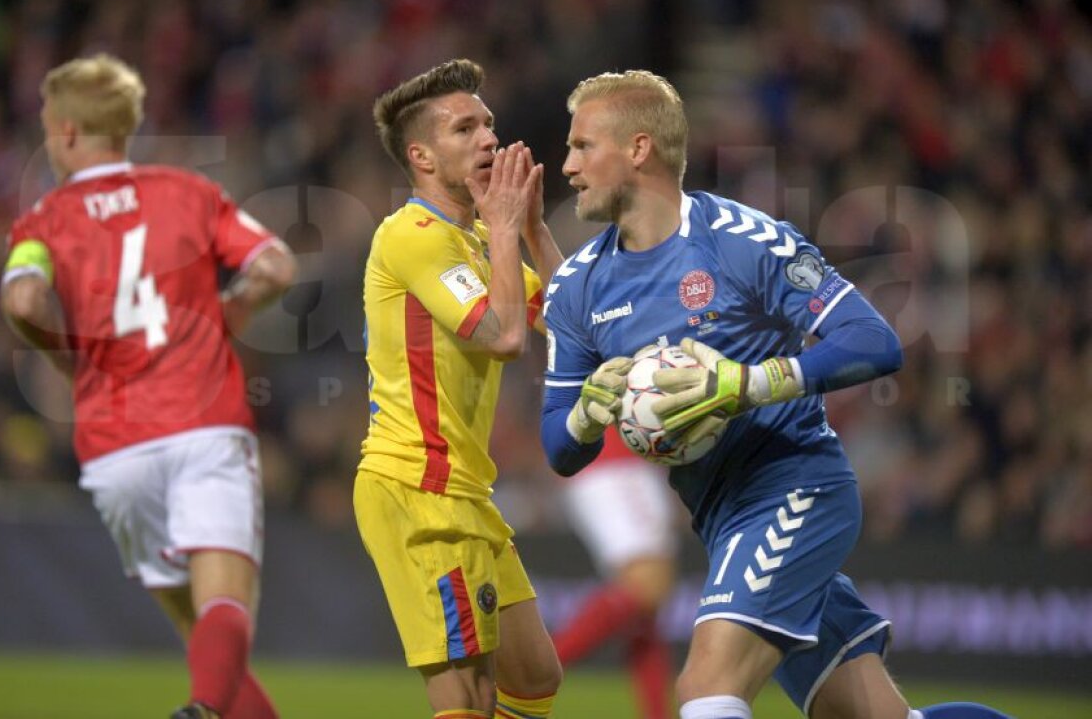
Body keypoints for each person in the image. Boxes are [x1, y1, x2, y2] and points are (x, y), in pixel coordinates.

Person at [538, 70, 1011, 719]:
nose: (566, 165)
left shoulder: (742, 240)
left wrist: (746, 384)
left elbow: (873, 340)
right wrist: (588, 415)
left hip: (794, 486)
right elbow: (556, 445)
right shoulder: (575, 288)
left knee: (706, 687)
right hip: (721, 518)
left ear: (639, 148)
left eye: (583, 146)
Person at [0, 54, 296, 719]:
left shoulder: (42, 221)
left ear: (70, 132)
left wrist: (64, 354)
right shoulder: (187, 191)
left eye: (48, 127)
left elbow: (22, 299)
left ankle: (204, 704)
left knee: (201, 639)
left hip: (114, 444)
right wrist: (238, 306)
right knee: (226, 609)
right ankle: (200, 709)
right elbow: (275, 264)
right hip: (205, 422)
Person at [356, 59, 565, 719]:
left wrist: (530, 229)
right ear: (421, 155)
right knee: (467, 697)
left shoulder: (475, 242)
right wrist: (504, 231)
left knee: (533, 676)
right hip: (419, 489)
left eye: (489, 125)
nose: (488, 140)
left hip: (466, 493)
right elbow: (505, 335)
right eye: (465, 128)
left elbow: (569, 320)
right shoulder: (412, 236)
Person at [551, 424, 679, 719]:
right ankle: (532, 676)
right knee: (647, 586)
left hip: (626, 459)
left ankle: (658, 715)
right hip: (613, 458)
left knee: (646, 612)